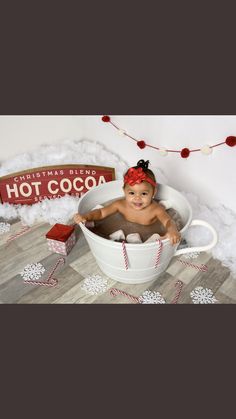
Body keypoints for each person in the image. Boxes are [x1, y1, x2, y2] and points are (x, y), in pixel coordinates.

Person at [73, 160, 181, 245]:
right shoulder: (120, 205)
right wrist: (86, 216)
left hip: (149, 236)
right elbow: (101, 213)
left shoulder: (155, 209)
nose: (137, 198)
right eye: (132, 193)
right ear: (124, 191)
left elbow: (168, 221)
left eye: (143, 194)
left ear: (153, 192)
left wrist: (173, 231)